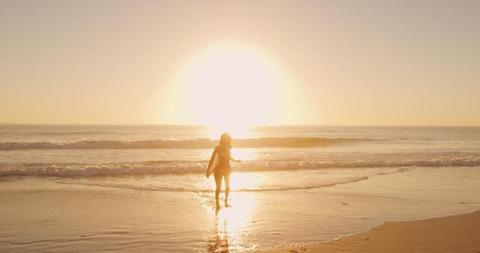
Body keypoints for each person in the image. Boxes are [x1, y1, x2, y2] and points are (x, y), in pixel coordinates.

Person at [206, 133, 239, 208]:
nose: (228, 140)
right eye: (227, 139)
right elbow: (212, 159)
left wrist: (235, 160)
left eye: (228, 139)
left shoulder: (228, 148)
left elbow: (228, 157)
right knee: (219, 187)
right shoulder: (217, 148)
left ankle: (226, 202)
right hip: (218, 170)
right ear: (223, 139)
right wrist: (208, 170)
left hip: (227, 169)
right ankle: (217, 202)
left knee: (227, 186)